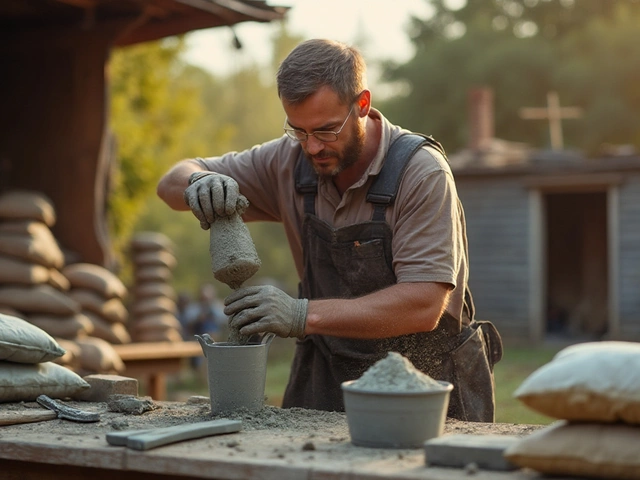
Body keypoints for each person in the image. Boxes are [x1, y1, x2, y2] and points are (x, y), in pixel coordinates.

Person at [157, 39, 502, 421]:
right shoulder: (289, 159)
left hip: (424, 386)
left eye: (326, 130)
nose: (313, 147)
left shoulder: (420, 173)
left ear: (363, 104)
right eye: (299, 131)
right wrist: (199, 182)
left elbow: (423, 304)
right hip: (324, 377)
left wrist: (301, 315)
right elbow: (171, 182)